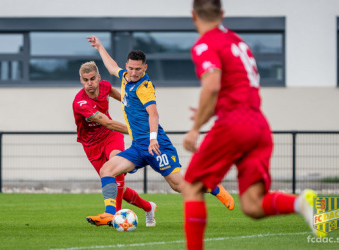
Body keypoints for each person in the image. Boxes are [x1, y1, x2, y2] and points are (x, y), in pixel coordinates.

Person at [182, 0, 326, 249]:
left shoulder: (205, 43)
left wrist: (195, 129)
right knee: (252, 205)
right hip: (258, 125)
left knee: (191, 185)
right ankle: (303, 202)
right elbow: (235, 87)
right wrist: (210, 110)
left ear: (193, 16)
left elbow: (213, 85)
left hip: (234, 123)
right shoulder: (239, 43)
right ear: (222, 14)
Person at [85, 35, 235, 227]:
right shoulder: (125, 76)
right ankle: (108, 213)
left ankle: (212, 186)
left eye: (138, 69)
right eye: (130, 68)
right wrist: (99, 47)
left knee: (179, 186)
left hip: (157, 145)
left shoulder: (144, 87)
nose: (133, 72)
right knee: (107, 169)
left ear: (145, 68)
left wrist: (153, 139)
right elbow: (112, 67)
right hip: (139, 146)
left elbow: (153, 114)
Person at [73, 61, 156, 227]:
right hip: (91, 144)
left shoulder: (105, 86)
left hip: (111, 136)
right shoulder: (80, 102)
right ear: (81, 81)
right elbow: (107, 122)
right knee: (117, 187)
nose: (90, 83)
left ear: (99, 78)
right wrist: (136, 131)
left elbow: (125, 100)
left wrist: (140, 110)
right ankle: (148, 207)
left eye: (92, 78)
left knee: (115, 168)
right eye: (86, 80)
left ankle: (112, 214)